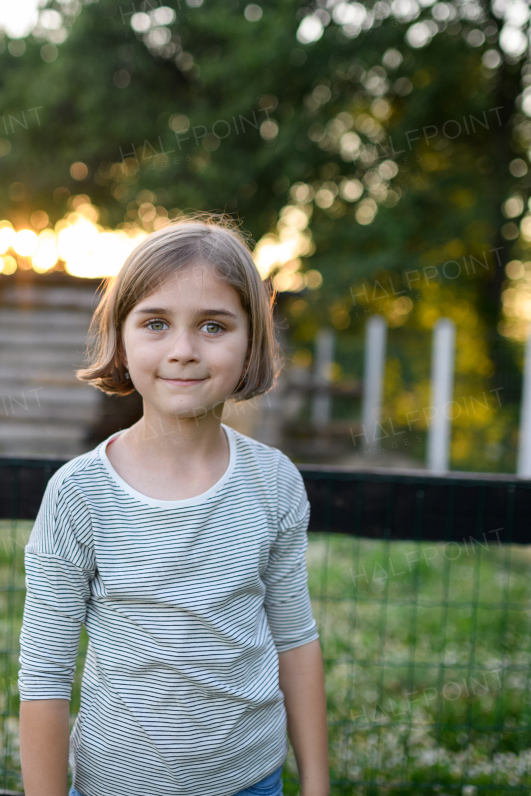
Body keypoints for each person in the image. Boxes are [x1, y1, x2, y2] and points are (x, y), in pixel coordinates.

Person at [17, 217, 331, 796]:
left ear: (250, 344)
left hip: (251, 780)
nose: (183, 351)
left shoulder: (274, 482)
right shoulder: (78, 494)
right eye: (156, 323)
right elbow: (45, 675)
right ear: (121, 337)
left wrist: (316, 785)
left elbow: (295, 638)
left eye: (214, 325)